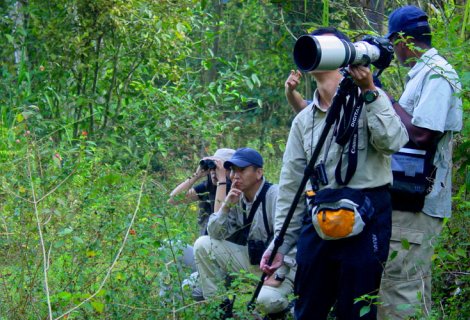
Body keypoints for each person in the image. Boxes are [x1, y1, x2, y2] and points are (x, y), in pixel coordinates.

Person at [260, 27, 409, 319]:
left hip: (368, 214)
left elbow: (393, 142)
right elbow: (291, 185)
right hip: (319, 215)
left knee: (357, 311)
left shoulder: (369, 99)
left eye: (321, 46)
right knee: (307, 308)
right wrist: (280, 244)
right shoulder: (304, 120)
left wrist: (369, 90)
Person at [378, 6, 463, 319]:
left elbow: (422, 135)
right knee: (408, 290)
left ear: (401, 41)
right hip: (407, 200)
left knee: (401, 290)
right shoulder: (424, 75)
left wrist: (382, 97)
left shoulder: (438, 74)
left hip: (419, 204)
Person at [193, 148, 296, 320]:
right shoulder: (237, 197)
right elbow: (214, 234)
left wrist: (280, 273)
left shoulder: (276, 195)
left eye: (242, 170)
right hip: (253, 261)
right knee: (203, 244)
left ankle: (289, 309)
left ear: (259, 173)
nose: (235, 175)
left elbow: (292, 238)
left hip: (280, 267)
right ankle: (220, 310)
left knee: (268, 301)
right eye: (232, 170)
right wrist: (226, 206)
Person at [168, 148, 235, 236]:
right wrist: (196, 175)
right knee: (171, 244)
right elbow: (173, 200)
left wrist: (222, 181)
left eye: (219, 168)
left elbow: (217, 222)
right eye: (212, 167)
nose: (214, 172)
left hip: (225, 246)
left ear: (232, 170)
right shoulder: (208, 187)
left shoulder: (236, 192)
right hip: (205, 246)